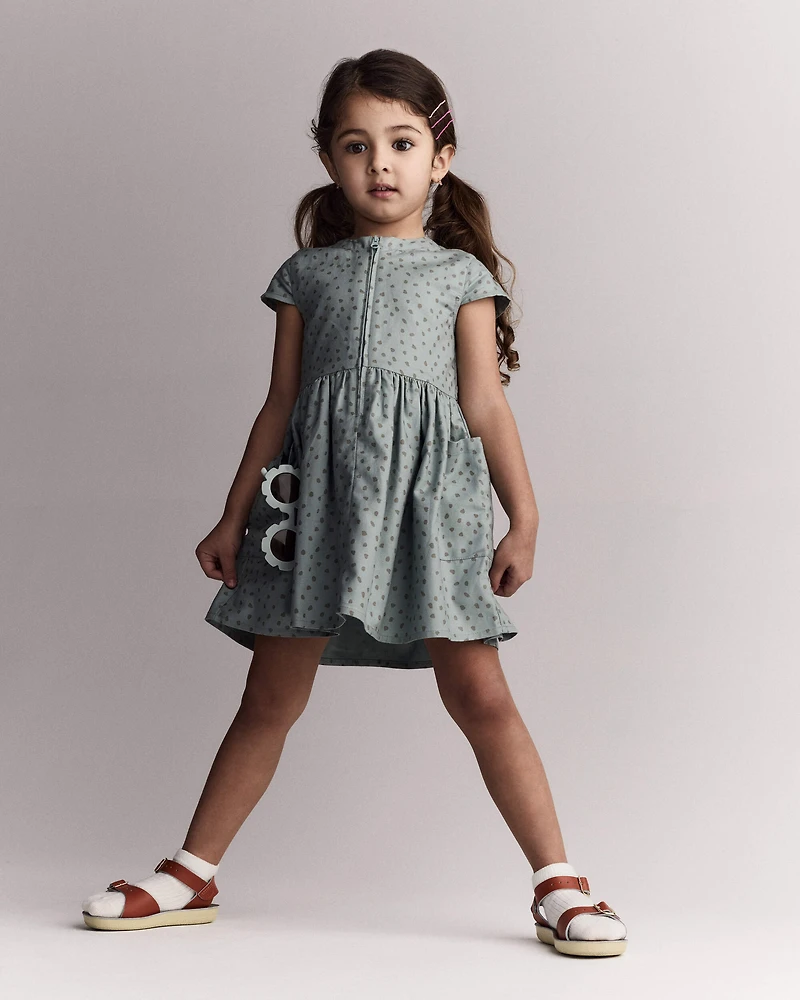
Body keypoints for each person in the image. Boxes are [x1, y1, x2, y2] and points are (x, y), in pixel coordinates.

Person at [81, 48, 627, 958]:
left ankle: (558, 883)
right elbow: (280, 405)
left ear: (441, 158)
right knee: (268, 695)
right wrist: (231, 516)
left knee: (482, 695)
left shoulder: (461, 278)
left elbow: (486, 406)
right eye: (356, 144)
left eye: (402, 143)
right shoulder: (306, 275)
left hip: (429, 514)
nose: (380, 163)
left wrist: (525, 520)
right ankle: (190, 872)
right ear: (330, 160)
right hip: (315, 514)